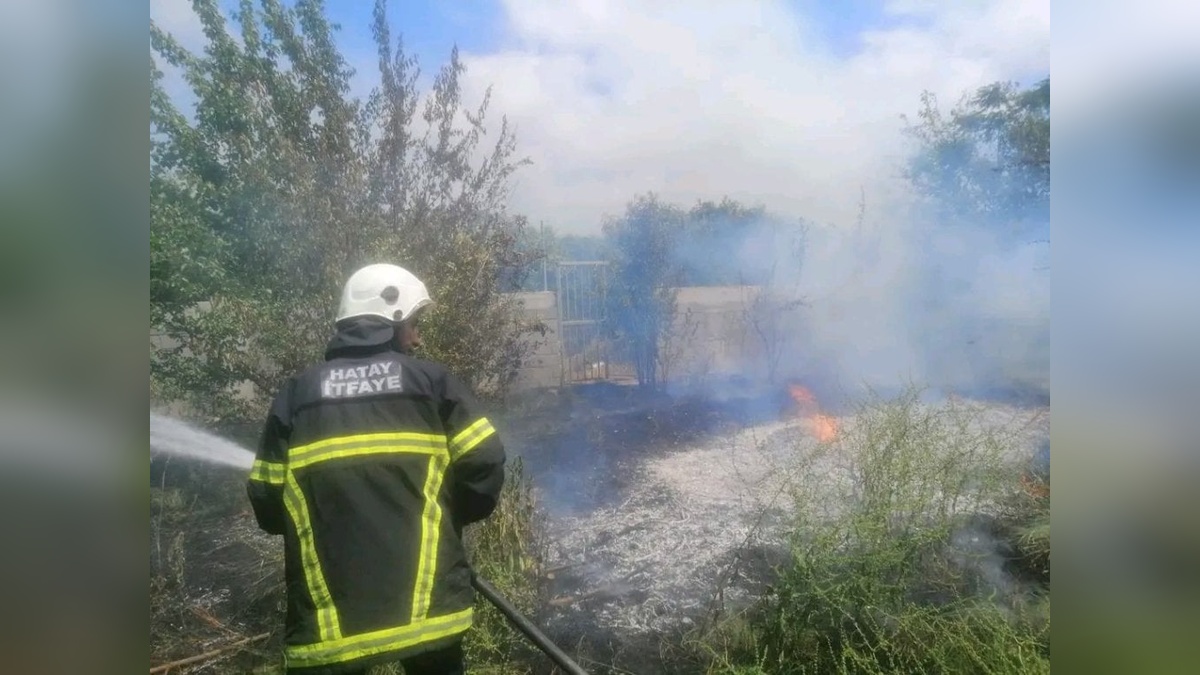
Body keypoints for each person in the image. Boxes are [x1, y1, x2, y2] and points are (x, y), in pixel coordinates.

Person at [247, 263, 506, 674]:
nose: (418, 338)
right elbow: (485, 463)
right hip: (429, 608)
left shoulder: (296, 396)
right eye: (415, 323)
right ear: (394, 319)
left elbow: (267, 502)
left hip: (328, 627)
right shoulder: (432, 383)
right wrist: (446, 519)